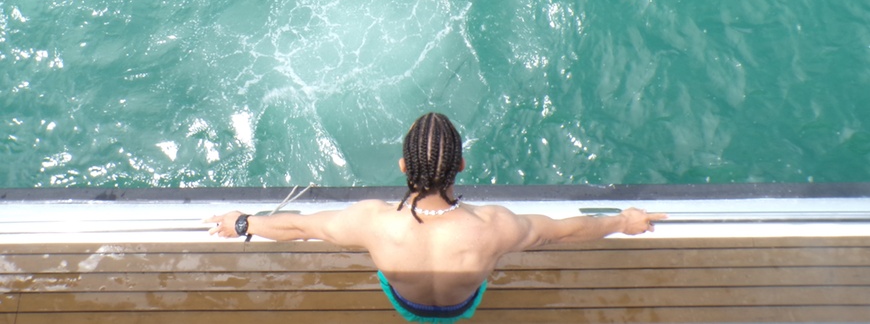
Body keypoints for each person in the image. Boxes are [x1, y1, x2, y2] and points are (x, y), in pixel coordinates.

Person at [207, 112, 667, 323]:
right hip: (462, 306)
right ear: (461, 167)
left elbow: (300, 228)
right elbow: (566, 232)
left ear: (404, 168)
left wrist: (243, 223)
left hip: (405, 304)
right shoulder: (495, 228)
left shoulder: (372, 223)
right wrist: (625, 221)